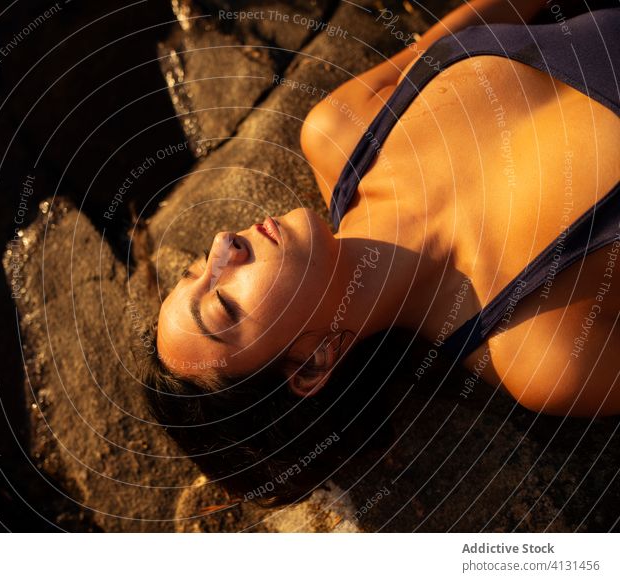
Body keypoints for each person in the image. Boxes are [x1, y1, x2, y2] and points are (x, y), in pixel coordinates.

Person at [139, 0, 620, 506]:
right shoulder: (546, 351)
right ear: (311, 364)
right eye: (223, 304)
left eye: (198, 268)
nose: (223, 246)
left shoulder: (339, 133)